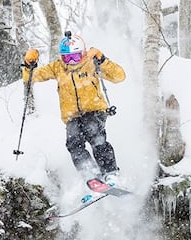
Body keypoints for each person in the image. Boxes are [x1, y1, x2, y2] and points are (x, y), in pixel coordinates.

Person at [22, 31, 126, 191]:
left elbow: (119, 76)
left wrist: (102, 59)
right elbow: (32, 77)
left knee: (96, 137)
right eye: (67, 57)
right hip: (71, 116)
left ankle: (111, 173)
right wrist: (28, 65)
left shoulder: (91, 63)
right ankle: (91, 176)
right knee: (74, 144)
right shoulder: (58, 67)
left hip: (94, 110)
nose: (71, 61)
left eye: (75, 57)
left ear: (82, 53)